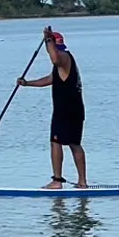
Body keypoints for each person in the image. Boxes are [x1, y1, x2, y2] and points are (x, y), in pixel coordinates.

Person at [18, 25, 88, 189]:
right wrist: (27, 83)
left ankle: (57, 181)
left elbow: (55, 58)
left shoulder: (62, 57)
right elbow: (49, 79)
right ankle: (82, 182)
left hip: (66, 110)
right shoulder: (65, 62)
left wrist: (48, 39)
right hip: (75, 109)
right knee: (74, 143)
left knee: (56, 142)